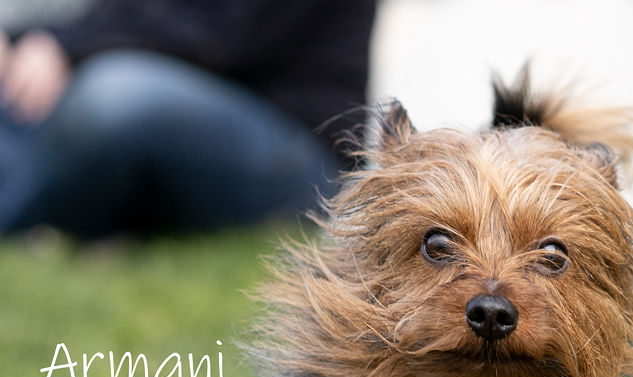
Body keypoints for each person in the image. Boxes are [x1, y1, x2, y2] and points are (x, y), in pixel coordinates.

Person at [0, 1, 377, 237]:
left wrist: (64, 46)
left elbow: (215, 37)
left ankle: (17, 211)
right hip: (194, 109)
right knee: (31, 94)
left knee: (113, 95)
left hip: (300, 151)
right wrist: (23, 45)